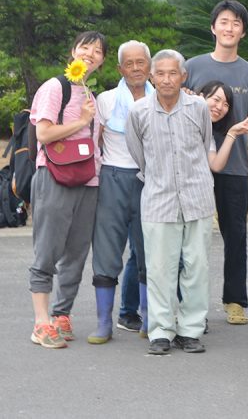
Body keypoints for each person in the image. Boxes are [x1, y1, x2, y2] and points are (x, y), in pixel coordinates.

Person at [184, 0, 248, 326]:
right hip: (193, 169)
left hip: (234, 167)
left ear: (243, 32)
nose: (229, 27)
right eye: (223, 21)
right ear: (213, 27)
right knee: (194, 238)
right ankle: (192, 305)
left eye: (236, 23)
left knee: (235, 237)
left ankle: (235, 300)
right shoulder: (191, 67)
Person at [126, 49, 216, 355]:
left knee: (197, 267)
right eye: (160, 73)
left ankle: (190, 330)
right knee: (160, 269)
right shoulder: (139, 112)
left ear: (184, 76)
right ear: (152, 76)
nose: (166, 79)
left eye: (173, 73)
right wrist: (160, 179)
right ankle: (161, 331)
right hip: (158, 199)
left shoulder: (198, 107)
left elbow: (205, 146)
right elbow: (139, 156)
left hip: (198, 198)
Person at [28, 31, 105, 349]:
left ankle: (62, 315)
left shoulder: (90, 94)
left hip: (88, 180)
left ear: (101, 61)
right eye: (85, 47)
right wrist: (81, 121)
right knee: (47, 250)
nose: (90, 53)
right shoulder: (54, 87)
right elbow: (44, 133)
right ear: (72, 51)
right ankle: (41, 322)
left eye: (97, 50)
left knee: (76, 252)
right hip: (54, 175)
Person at [88, 40, 154, 345]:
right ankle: (104, 323)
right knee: (107, 250)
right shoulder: (106, 99)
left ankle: (147, 319)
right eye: (130, 63)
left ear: (150, 66)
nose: (137, 68)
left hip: (150, 181)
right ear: (120, 69)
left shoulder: (164, 100)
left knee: (149, 250)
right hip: (113, 176)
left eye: (141, 62)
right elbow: (94, 141)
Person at [197, 80, 248, 172]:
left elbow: (215, 166)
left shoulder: (207, 134)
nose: (219, 107)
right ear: (201, 97)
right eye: (216, 99)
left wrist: (232, 133)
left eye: (226, 104)